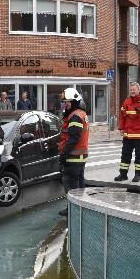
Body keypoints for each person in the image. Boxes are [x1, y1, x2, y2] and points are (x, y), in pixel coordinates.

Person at [114, 82, 140, 183]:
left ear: (138, 90)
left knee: (139, 155)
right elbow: (122, 116)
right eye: (131, 89)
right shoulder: (126, 101)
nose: (132, 91)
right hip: (128, 135)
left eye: (134, 89)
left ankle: (138, 174)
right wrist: (121, 128)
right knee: (125, 155)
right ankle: (123, 174)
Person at [58, 88, 89, 216]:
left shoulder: (75, 116)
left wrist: (65, 153)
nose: (66, 104)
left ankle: (73, 210)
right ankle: (80, 209)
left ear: (74, 102)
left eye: (68, 102)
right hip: (80, 155)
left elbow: (74, 138)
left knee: (69, 182)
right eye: (65, 102)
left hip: (73, 156)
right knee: (79, 182)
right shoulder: (80, 114)